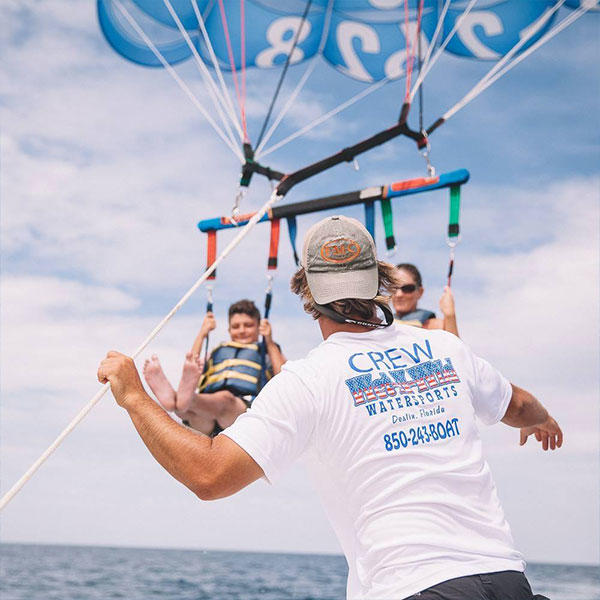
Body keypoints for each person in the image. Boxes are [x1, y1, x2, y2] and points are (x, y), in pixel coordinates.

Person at [98, 216, 561, 600]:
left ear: (307, 291)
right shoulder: (444, 347)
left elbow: (209, 475)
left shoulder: (308, 380)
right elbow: (517, 404)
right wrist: (542, 419)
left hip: (411, 587)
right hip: (508, 582)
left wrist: (135, 398)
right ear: (381, 281)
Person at [142, 299, 285, 436]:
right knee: (188, 412)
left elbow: (284, 377)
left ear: (259, 327)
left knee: (222, 399)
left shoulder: (266, 350)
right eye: (236, 326)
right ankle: (178, 402)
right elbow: (193, 363)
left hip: (242, 411)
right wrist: (202, 333)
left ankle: (178, 400)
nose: (241, 330)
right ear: (229, 330)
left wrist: (269, 341)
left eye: (248, 325)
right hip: (208, 422)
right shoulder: (218, 352)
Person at [393, 262, 459, 336]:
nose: (398, 294)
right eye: (393, 288)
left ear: (420, 292)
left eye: (407, 288)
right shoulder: (381, 326)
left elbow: (455, 346)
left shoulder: (437, 327)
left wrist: (450, 316)